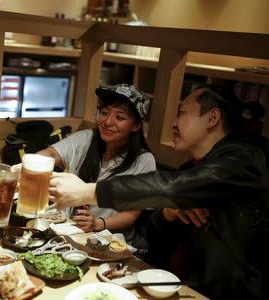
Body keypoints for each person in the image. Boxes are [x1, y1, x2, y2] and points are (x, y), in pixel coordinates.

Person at [48, 85, 269, 299]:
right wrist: (167, 214)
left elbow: (173, 187)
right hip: (180, 286)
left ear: (212, 118)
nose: (173, 123)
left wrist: (88, 191)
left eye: (182, 113)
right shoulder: (192, 169)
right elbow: (154, 237)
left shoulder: (244, 159)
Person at [37, 83, 156, 254]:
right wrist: (33, 165)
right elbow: (49, 154)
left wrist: (97, 223)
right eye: (104, 113)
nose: (107, 122)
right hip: (70, 233)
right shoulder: (87, 138)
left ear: (136, 125)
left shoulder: (143, 161)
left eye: (119, 117)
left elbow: (131, 214)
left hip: (112, 245)